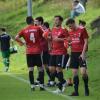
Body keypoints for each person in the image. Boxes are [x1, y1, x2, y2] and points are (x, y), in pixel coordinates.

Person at [15, 16, 45, 91]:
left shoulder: (24, 30)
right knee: (40, 69)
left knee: (30, 69)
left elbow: (16, 37)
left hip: (29, 52)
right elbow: (44, 35)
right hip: (37, 51)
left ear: (26, 22)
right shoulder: (38, 28)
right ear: (32, 21)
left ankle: (32, 86)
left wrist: (23, 42)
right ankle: (41, 86)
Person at [66, 18, 89, 96]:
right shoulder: (70, 32)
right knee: (75, 73)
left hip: (81, 53)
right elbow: (69, 42)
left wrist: (83, 53)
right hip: (73, 54)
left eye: (70, 26)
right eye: (69, 27)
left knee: (83, 73)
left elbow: (86, 42)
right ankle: (76, 92)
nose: (70, 28)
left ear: (73, 23)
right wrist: (68, 44)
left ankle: (86, 87)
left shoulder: (82, 30)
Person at [48, 15, 69, 93]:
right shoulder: (52, 29)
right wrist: (50, 43)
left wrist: (59, 39)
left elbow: (68, 39)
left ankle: (60, 88)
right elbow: (51, 39)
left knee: (58, 69)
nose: (55, 21)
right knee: (51, 69)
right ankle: (64, 82)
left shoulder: (64, 30)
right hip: (53, 52)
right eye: (54, 20)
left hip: (61, 52)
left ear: (60, 21)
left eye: (57, 20)